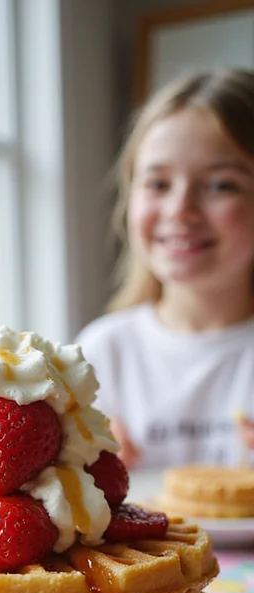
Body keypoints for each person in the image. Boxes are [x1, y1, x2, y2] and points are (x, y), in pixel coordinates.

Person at [76, 69, 254, 470]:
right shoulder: (102, 354)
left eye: (220, 185)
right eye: (158, 185)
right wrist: (78, 468)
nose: (179, 210)